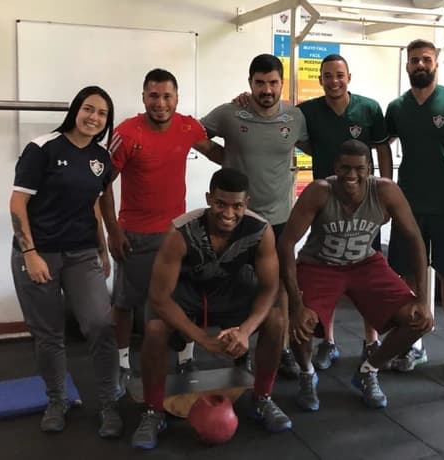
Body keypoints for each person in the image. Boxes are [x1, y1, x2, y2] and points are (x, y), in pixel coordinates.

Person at [131, 168, 291, 449]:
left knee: (276, 319)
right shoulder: (182, 231)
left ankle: (262, 397)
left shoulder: (259, 230)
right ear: (209, 199)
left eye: (237, 206)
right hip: (186, 295)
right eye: (221, 204)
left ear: (247, 203)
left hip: (231, 292)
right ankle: (153, 411)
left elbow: (270, 288)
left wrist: (245, 331)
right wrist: (201, 337)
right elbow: (159, 297)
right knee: (155, 329)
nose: (229, 213)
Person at [278, 139, 432, 411]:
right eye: (345, 168)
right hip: (320, 265)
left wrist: (423, 298)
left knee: (420, 321)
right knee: (302, 322)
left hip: (365, 264)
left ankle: (368, 371)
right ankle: (307, 374)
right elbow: (286, 243)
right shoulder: (320, 191)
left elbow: (415, 239)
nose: (351, 175)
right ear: (335, 167)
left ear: (369, 168)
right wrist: (296, 304)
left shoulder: (385, 191)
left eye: (359, 168)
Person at [9, 86, 123, 438]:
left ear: (107, 121)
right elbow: (18, 204)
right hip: (38, 254)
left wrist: (102, 249)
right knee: (49, 335)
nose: (94, 117)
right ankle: (56, 400)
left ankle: (108, 403)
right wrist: (30, 254)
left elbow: (95, 204)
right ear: (76, 110)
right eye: (89, 109)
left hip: (82, 253)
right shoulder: (42, 148)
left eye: (102, 113)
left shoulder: (102, 158)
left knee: (100, 326)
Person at [100, 69, 220, 389]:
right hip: (135, 235)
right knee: (126, 303)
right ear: (143, 97)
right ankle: (122, 362)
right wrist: (113, 232)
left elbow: (220, 155)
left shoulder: (188, 126)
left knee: (185, 297)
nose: (161, 103)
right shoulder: (126, 133)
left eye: (167, 96)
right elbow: (101, 186)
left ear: (177, 98)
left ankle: (186, 359)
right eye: (154, 95)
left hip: (177, 234)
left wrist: (253, 141)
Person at [200, 54, 308, 379]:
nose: (266, 89)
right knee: (241, 286)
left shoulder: (295, 116)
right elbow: (194, 134)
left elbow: (316, 145)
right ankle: (240, 348)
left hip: (279, 218)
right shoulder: (231, 113)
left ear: (281, 84)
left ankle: (284, 347)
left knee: (282, 286)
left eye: (273, 82)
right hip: (239, 218)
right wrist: (225, 159)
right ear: (250, 83)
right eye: (259, 83)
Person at [385, 38, 444, 381]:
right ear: (407, 65)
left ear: (436, 63)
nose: (420, 65)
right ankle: (415, 345)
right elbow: (381, 146)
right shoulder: (397, 108)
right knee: (410, 279)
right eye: (414, 60)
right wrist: (385, 189)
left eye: (426, 59)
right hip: (409, 206)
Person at [296, 54, 393, 371]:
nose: (333, 81)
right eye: (327, 76)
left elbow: (382, 149)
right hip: (326, 206)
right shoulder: (307, 112)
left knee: (368, 275)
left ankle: (371, 341)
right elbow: (308, 144)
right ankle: (329, 343)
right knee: (328, 275)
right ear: (320, 78)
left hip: (364, 203)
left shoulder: (368, 108)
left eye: (339, 75)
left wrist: (387, 192)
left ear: (348, 76)